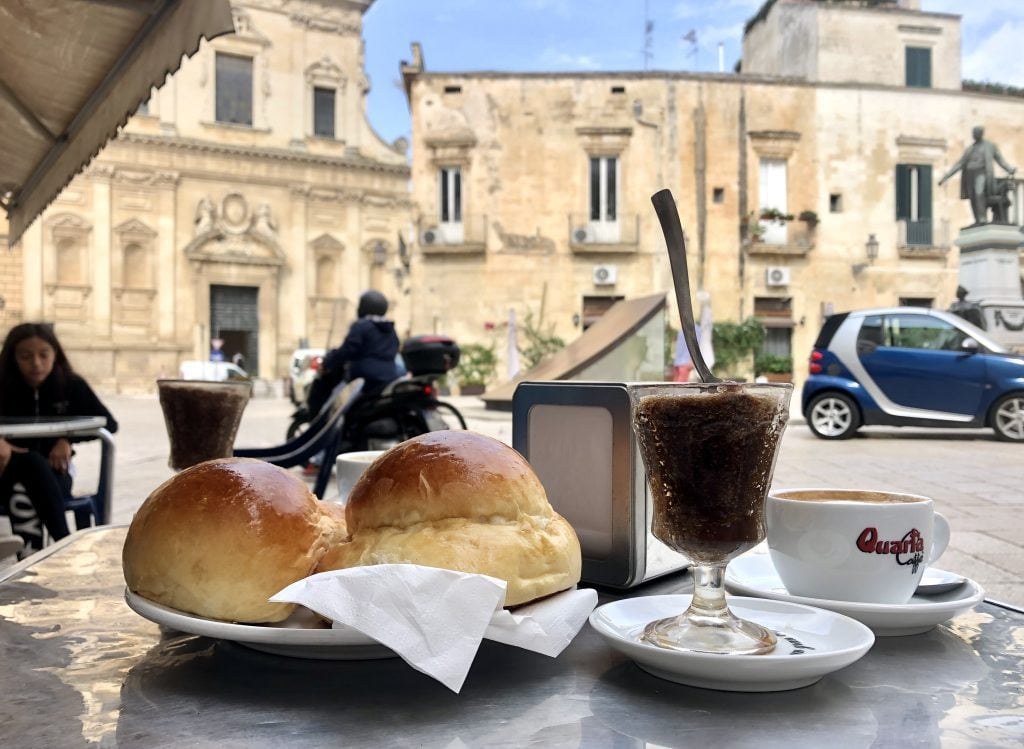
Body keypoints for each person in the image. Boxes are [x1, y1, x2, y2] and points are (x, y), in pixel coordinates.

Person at [0, 323, 118, 554]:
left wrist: (67, 439)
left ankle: (30, 555)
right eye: (26, 356)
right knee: (29, 463)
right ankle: (63, 544)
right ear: (12, 357)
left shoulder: (71, 385)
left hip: (55, 473)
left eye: (43, 355)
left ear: (55, 354)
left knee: (29, 475)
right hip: (4, 470)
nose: (36, 363)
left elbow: (109, 424)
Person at [305, 290, 401, 418]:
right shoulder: (389, 328)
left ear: (363, 307)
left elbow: (347, 349)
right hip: (389, 376)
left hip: (363, 378)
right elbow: (395, 347)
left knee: (337, 404)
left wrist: (329, 361)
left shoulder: (361, 326)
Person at [938, 125, 1016, 227]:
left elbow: (1000, 159)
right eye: (973, 133)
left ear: (981, 133)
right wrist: (945, 177)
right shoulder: (970, 149)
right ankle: (978, 219)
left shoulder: (990, 146)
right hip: (970, 175)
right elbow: (959, 164)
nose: (974, 135)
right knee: (973, 196)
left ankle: (982, 218)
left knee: (978, 192)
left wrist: (1009, 169)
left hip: (982, 173)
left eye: (976, 133)